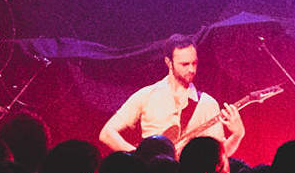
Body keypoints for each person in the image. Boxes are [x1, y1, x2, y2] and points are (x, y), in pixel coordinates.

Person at [99, 35, 244, 159]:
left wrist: (237, 135)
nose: (192, 69)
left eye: (194, 63)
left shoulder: (207, 103)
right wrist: (139, 158)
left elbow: (219, 156)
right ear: (168, 62)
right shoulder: (146, 96)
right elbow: (107, 133)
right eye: (185, 64)